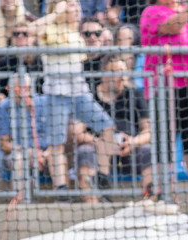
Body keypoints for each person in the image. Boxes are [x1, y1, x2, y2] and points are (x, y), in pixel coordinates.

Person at [24, 0, 118, 200]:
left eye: (77, 6)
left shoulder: (77, 33)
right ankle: (62, 190)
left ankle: (102, 176)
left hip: (79, 93)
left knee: (107, 127)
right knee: (57, 144)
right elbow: (30, 30)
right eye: (71, 7)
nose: (76, 10)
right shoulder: (49, 29)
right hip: (56, 94)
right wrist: (55, 13)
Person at [139, 0, 188, 200]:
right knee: (164, 139)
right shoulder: (151, 12)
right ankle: (163, 190)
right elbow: (172, 27)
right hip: (164, 85)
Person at [92, 53, 152, 189]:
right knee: (84, 152)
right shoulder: (91, 95)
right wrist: (101, 143)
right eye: (115, 72)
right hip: (97, 149)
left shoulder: (135, 94)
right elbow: (78, 133)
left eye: (122, 72)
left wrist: (133, 142)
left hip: (128, 149)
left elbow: (148, 131)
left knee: (147, 151)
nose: (120, 77)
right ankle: (93, 204)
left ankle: (150, 199)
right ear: (103, 74)